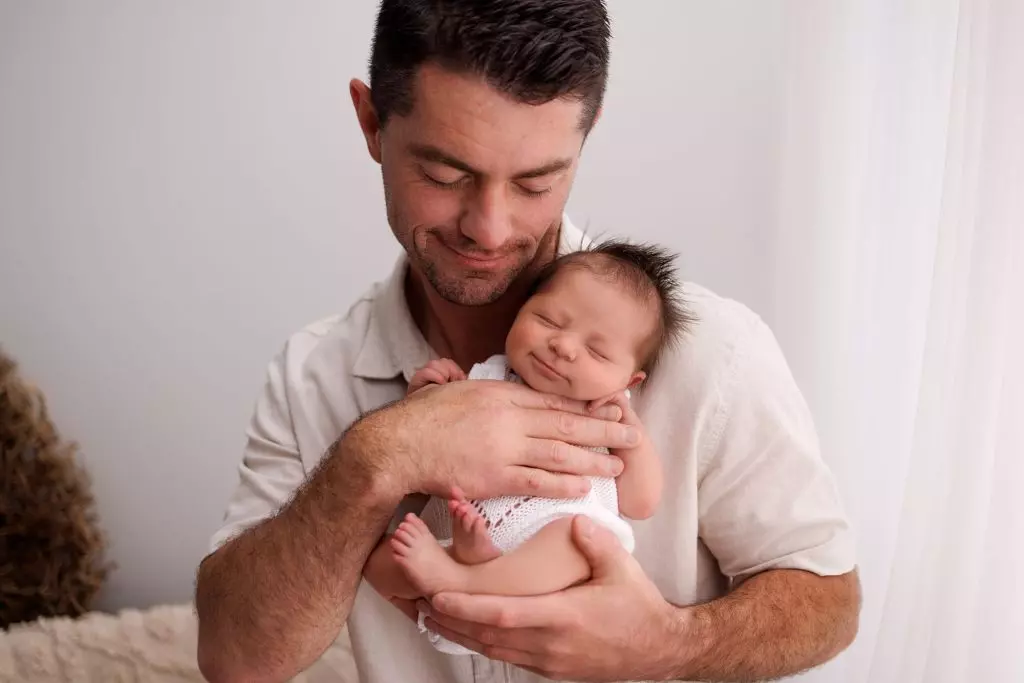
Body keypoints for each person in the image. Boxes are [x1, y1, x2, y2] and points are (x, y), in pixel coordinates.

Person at [194, 1, 861, 682]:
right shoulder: (314, 375)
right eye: (445, 175)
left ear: (586, 133)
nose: (489, 227)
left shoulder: (714, 353)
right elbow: (236, 658)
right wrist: (377, 457)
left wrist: (672, 642)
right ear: (371, 122)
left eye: (535, 181)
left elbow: (831, 598)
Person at [362, 240, 687, 656]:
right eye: (548, 320)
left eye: (596, 350)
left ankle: (465, 578)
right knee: (375, 561)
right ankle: (468, 563)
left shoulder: (609, 418)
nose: (564, 347)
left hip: (537, 572)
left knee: (583, 539)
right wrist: (422, 404)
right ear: (519, 313)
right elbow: (416, 478)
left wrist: (632, 438)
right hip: (450, 562)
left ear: (629, 381)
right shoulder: (481, 379)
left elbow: (641, 504)